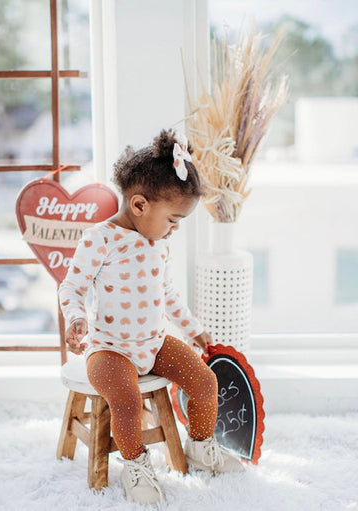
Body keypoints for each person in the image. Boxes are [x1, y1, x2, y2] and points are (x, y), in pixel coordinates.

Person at [59, 129, 243, 505]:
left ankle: (200, 445)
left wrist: (194, 330)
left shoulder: (159, 243)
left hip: (154, 343)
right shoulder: (101, 239)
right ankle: (136, 466)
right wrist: (76, 318)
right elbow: (72, 286)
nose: (174, 229)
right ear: (139, 205)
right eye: (173, 220)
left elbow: (167, 294)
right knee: (125, 401)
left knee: (205, 382)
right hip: (110, 348)